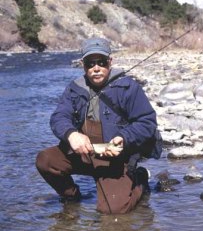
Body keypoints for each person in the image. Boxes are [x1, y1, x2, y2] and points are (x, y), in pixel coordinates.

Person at [36, 37, 158, 214]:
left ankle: (140, 178)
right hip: (84, 154)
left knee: (112, 210)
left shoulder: (129, 88)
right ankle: (71, 196)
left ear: (110, 62)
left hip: (116, 158)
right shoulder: (74, 89)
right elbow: (58, 117)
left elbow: (147, 122)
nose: (96, 68)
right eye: (90, 63)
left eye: (101, 62)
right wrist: (71, 134)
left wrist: (124, 138)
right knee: (45, 160)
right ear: (82, 64)